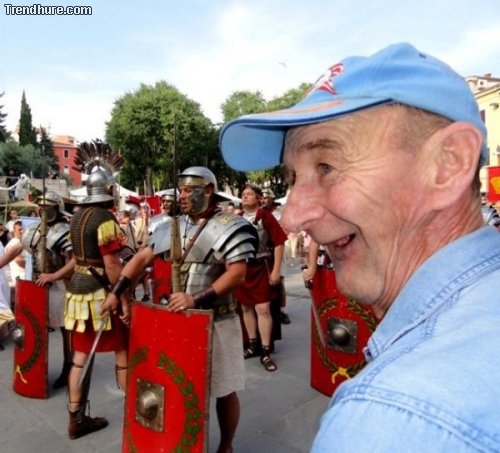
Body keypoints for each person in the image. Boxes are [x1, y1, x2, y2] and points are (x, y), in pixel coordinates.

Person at [220, 43, 500, 451]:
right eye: (294, 177)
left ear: (449, 164)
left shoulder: (387, 418)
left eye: (327, 166)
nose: (293, 217)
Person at [102, 166, 258, 453]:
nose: (181, 195)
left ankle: (226, 446)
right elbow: (141, 259)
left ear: (208, 190)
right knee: (175, 383)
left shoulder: (230, 226)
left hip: (217, 320)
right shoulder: (170, 226)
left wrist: (194, 299)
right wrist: (116, 292)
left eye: (188, 190)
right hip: (177, 322)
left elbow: (237, 274)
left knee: (224, 389)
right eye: (181, 190)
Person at [64, 140, 129, 439]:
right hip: (101, 295)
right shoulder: (104, 218)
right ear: (109, 190)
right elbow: (112, 264)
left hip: (77, 293)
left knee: (79, 357)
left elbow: (76, 257)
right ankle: (138, 412)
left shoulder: (77, 217)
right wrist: (124, 297)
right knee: (122, 350)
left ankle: (75, 418)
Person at [22, 192, 74, 389]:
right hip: (38, 285)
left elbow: (74, 261)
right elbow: (17, 250)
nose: (42, 210)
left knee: (66, 329)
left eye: (47, 206)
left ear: (56, 208)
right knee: (34, 326)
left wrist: (54, 276)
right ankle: (34, 369)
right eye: (40, 206)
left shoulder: (65, 231)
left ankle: (69, 367)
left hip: (60, 285)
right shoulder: (34, 230)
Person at [235, 184, 287, 372]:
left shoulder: (265, 216)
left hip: (262, 267)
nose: (245, 196)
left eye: (249, 194)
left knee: (263, 309)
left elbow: (279, 243)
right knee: (245, 307)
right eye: (243, 194)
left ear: (258, 198)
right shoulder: (237, 219)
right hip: (244, 268)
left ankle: (266, 351)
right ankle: (253, 345)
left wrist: (276, 270)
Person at [261, 188, 291, 325]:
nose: (264, 200)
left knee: (279, 280)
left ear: (272, 199)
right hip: (263, 252)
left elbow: (284, 232)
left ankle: (282, 310)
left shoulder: (279, 214)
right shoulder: (259, 214)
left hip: (277, 249)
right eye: (263, 197)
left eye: (267, 198)